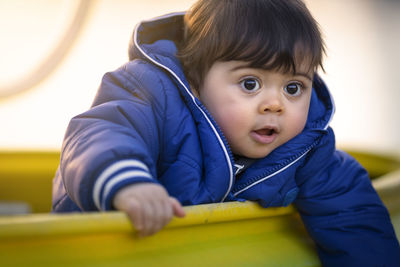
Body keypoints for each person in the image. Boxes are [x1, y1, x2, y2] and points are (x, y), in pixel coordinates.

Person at [52, 0, 400, 265]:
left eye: (294, 88)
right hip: (100, 252)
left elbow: (353, 218)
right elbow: (100, 133)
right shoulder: (150, 95)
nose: (275, 104)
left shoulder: (305, 151)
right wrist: (128, 184)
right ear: (196, 80)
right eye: (250, 83)